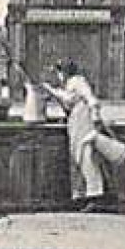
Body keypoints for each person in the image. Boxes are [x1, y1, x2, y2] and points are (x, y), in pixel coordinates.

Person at [43, 60, 113, 211]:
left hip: (83, 121)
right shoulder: (71, 84)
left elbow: (89, 99)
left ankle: (95, 197)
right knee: (78, 157)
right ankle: (82, 195)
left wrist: (95, 116)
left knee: (86, 157)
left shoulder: (78, 82)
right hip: (77, 121)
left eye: (59, 72)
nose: (59, 76)